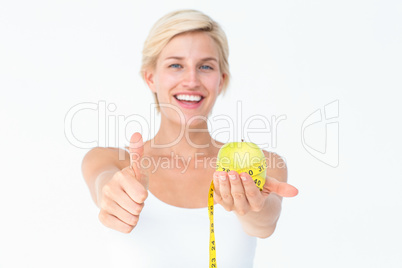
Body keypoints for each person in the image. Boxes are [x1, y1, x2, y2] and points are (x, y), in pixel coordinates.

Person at [81, 9, 298, 267]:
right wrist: (114, 194)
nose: (191, 80)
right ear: (151, 77)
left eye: (205, 66)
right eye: (176, 65)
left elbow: (264, 225)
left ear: (221, 80)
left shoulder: (263, 164)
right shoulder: (112, 162)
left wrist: (254, 206)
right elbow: (102, 186)